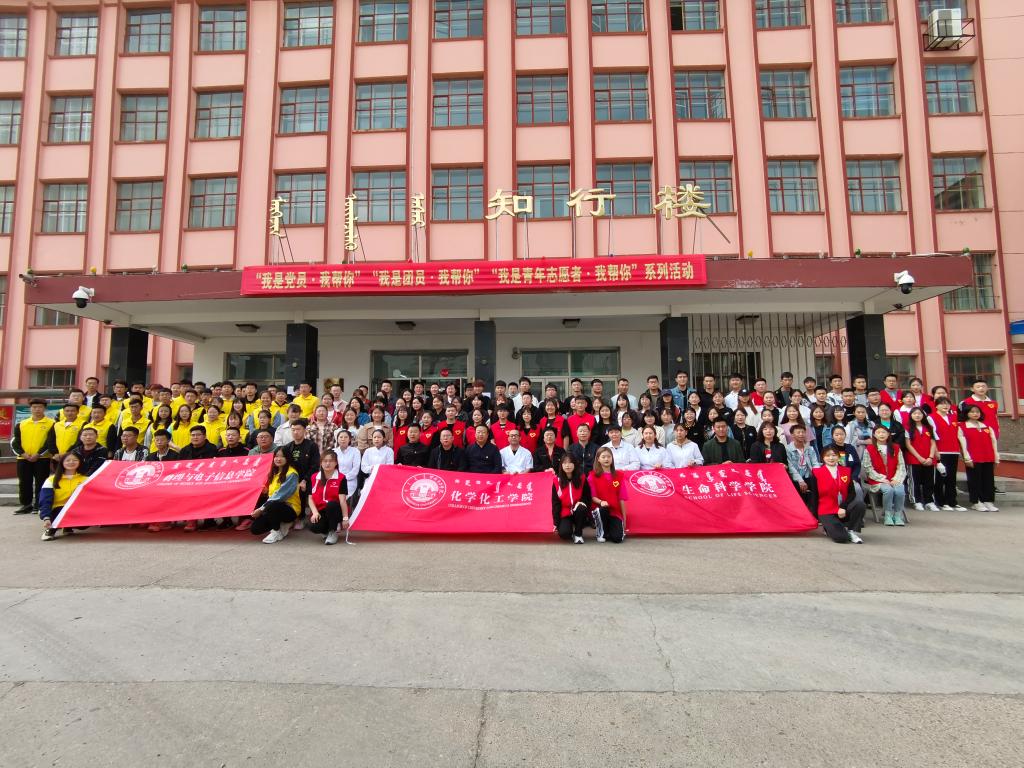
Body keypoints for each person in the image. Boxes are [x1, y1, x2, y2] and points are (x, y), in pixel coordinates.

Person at [809, 446, 866, 544]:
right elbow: (814, 495)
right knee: (841, 538)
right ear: (822, 458)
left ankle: (851, 531)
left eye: (834, 455)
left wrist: (843, 507)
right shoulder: (816, 472)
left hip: (843, 508)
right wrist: (815, 515)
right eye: (827, 455)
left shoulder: (846, 471)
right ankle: (831, 528)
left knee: (860, 505)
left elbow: (852, 493)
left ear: (838, 457)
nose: (831, 458)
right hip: (826, 509)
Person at [11, 398, 56, 515]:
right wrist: (23, 454)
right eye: (34, 407)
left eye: (40, 407)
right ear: (30, 408)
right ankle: (26, 505)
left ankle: (39, 505)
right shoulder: (22, 424)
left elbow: (50, 442)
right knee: (24, 482)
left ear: (44, 408)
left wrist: (38, 454)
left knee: (41, 482)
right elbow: (15, 442)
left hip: (42, 458)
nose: (37, 409)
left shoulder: (52, 424)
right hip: (23, 458)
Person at [249, 448, 301, 543]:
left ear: (288, 458)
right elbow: (272, 493)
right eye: (276, 456)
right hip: (273, 507)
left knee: (273, 505)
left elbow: (280, 496)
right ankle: (281, 524)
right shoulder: (273, 472)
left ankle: (276, 531)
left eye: (282, 456)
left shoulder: (292, 474)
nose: (278, 459)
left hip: (290, 508)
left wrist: (261, 509)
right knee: (255, 529)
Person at [38, 453, 90, 541]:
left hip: (76, 509)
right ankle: (51, 529)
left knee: (84, 521)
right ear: (62, 463)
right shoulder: (51, 480)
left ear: (80, 462)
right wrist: (46, 517)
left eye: (75, 460)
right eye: (68, 460)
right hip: (56, 510)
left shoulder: (86, 479)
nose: (71, 462)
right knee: (60, 511)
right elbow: (45, 500)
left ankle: (67, 526)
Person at [958, 404, 999, 512]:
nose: (975, 414)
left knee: (988, 480)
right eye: (972, 412)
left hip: (988, 457)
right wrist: (967, 458)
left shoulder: (987, 426)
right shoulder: (962, 426)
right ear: (966, 413)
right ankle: (976, 502)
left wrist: (996, 457)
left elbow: (994, 442)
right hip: (973, 458)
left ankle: (988, 501)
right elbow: (963, 444)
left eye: (977, 412)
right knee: (974, 480)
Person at [865, 425, 907, 526]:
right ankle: (888, 515)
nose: (881, 434)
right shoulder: (869, 448)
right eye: (878, 432)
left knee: (900, 490)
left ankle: (897, 515)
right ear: (874, 435)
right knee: (888, 490)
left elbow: (901, 465)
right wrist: (882, 479)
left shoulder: (896, 447)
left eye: (884, 432)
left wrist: (896, 479)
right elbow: (868, 467)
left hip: (894, 478)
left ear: (888, 434)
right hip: (877, 480)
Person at [929, 397, 965, 511]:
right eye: (942, 404)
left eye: (947, 404)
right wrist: (936, 452)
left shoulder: (954, 417)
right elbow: (932, 436)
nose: (945, 406)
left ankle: (952, 502)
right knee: (940, 478)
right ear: (936, 406)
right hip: (940, 451)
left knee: (951, 478)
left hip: (953, 451)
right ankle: (941, 502)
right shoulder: (931, 417)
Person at [306, 451, 349, 545]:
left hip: (335, 510)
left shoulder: (341, 478)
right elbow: (310, 498)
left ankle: (333, 531)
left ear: (336, 463)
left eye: (331, 461)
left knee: (331, 504)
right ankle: (326, 531)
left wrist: (345, 518)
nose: (327, 463)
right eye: (325, 461)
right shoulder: (314, 477)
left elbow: (342, 500)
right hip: (321, 510)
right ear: (321, 463)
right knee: (313, 526)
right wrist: (315, 512)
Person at [588, 447, 628, 543]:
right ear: (598, 459)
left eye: (609, 457)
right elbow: (592, 497)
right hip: (600, 509)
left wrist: (624, 519)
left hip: (614, 511)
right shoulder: (592, 476)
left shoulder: (619, 475)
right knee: (603, 510)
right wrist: (601, 502)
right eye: (603, 457)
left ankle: (609, 530)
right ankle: (601, 531)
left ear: (612, 458)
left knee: (617, 538)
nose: (606, 459)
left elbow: (621, 499)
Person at [904, 407, 941, 512]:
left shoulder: (929, 427)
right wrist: (919, 457)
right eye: (915, 413)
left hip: (929, 459)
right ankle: (916, 501)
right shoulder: (907, 428)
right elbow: (908, 445)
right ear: (911, 415)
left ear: (923, 415)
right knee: (914, 481)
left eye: (919, 413)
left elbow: (933, 443)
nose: (917, 415)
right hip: (914, 458)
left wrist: (930, 456)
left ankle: (929, 502)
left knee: (929, 481)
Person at [552, 453, 594, 544]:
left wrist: (582, 502)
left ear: (575, 464)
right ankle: (569, 528)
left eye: (570, 462)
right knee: (564, 534)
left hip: (578, 510)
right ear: (561, 465)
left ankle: (578, 534)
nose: (567, 465)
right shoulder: (556, 481)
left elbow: (587, 495)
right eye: (565, 463)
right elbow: (555, 503)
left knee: (581, 508)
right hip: (565, 512)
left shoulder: (582, 478)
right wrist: (556, 522)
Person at [786, 424, 820, 509]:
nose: (801, 434)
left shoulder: (809, 448)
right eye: (798, 432)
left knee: (815, 488)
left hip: (809, 476)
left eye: (803, 432)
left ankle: (814, 512)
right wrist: (800, 480)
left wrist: (819, 476)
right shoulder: (787, 449)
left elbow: (815, 463)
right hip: (796, 478)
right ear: (792, 435)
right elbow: (790, 467)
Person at [333, 429, 362, 502]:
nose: (343, 439)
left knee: (344, 497)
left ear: (349, 439)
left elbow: (355, 469)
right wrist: (337, 478)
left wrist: (343, 478)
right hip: (335, 480)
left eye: (346, 437)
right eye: (341, 437)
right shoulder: (333, 451)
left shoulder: (355, 451)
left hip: (350, 481)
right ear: (337, 439)